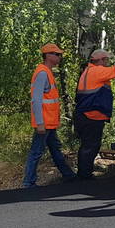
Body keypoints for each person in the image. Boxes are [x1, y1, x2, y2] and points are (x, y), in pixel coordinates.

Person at [74, 49, 115, 179]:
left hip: (85, 115)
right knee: (90, 146)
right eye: (107, 60)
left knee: (87, 145)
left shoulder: (88, 71)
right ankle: (84, 176)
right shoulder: (97, 71)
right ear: (101, 60)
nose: (108, 63)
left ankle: (84, 171)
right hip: (92, 115)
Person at [22, 43, 76, 187]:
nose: (59, 57)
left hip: (49, 123)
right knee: (36, 151)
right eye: (57, 54)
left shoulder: (47, 72)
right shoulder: (42, 73)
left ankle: (68, 175)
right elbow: (36, 100)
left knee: (55, 148)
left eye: (59, 54)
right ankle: (28, 182)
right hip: (44, 123)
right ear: (48, 56)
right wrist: (40, 123)